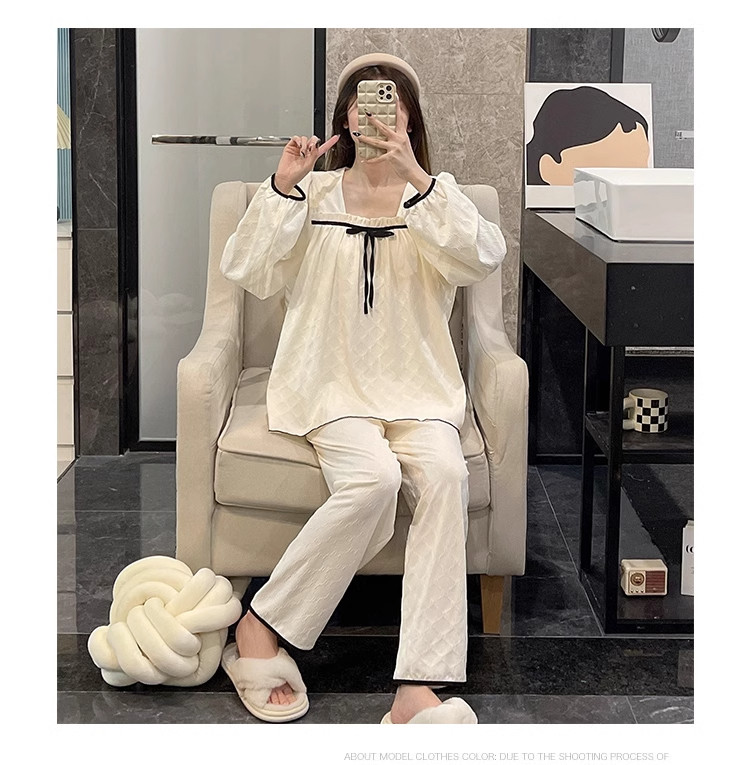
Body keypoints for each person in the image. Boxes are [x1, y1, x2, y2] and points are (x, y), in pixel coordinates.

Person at [218, 53, 507, 725]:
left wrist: (416, 176)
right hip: (329, 385)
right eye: (362, 100)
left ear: (409, 118)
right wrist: (283, 186)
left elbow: (482, 256)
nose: (376, 110)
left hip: (420, 390)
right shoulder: (311, 195)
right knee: (374, 481)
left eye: (391, 100)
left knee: (446, 476)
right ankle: (261, 624)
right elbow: (248, 269)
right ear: (346, 119)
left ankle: (417, 688)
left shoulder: (435, 195)